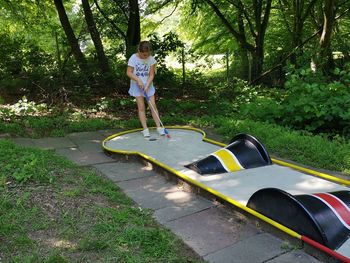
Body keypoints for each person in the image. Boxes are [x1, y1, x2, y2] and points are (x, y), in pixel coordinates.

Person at [126, 41, 165, 137]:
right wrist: (138, 80)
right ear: (139, 51)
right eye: (143, 55)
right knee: (141, 108)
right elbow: (129, 72)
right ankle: (145, 129)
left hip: (148, 85)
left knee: (153, 106)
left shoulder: (151, 59)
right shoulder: (133, 58)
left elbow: (151, 74)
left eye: (147, 55)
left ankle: (159, 127)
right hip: (136, 85)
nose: (145, 57)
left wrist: (147, 85)